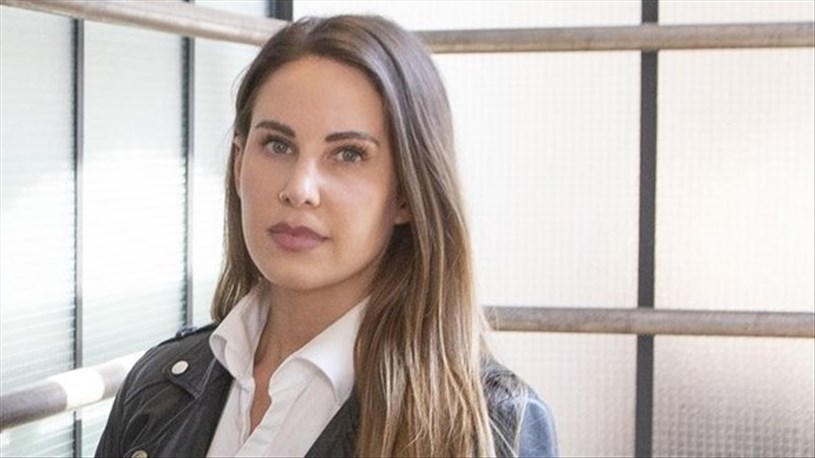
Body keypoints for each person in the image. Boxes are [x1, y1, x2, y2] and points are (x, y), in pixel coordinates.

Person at [96, 14, 557, 458]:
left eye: (349, 154)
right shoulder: (157, 385)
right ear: (238, 164)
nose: (299, 188)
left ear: (407, 194)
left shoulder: (490, 425)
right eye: (278, 145)